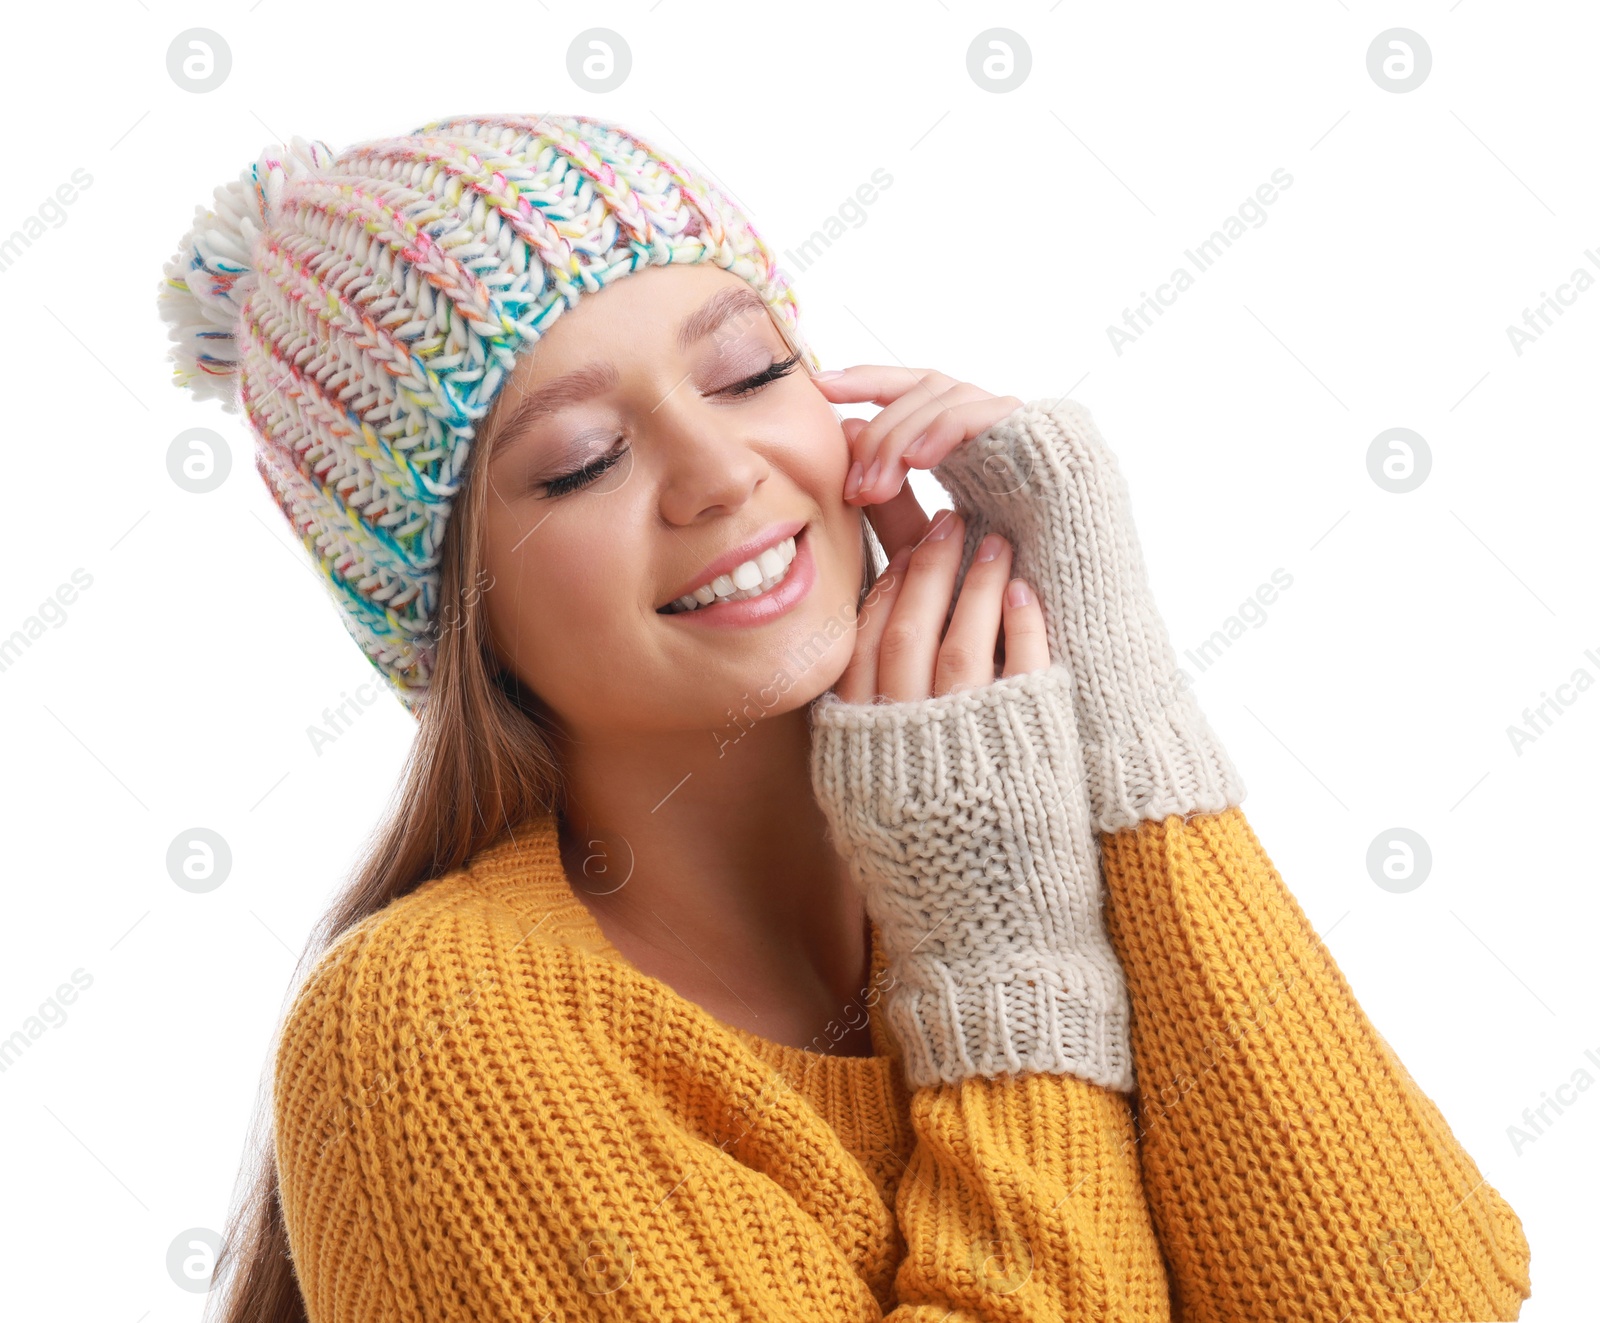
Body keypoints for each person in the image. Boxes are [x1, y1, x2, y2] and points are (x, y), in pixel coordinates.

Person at [157, 113, 1531, 1322]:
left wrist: (1116, 701)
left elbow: (1408, 1298)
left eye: (752, 372)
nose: (718, 473)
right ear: (456, 617)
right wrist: (1003, 980)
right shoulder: (432, 1032)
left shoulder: (1008, 838)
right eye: (580, 463)